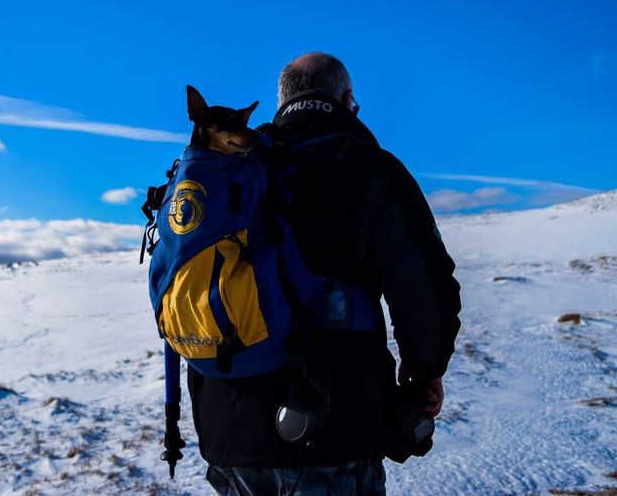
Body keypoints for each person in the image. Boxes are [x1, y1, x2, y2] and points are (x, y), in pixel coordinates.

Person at [187, 52, 461, 495]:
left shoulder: (234, 168)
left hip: (226, 432)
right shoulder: (369, 167)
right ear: (347, 99)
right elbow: (422, 286)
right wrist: (427, 369)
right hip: (327, 429)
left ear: (282, 102)